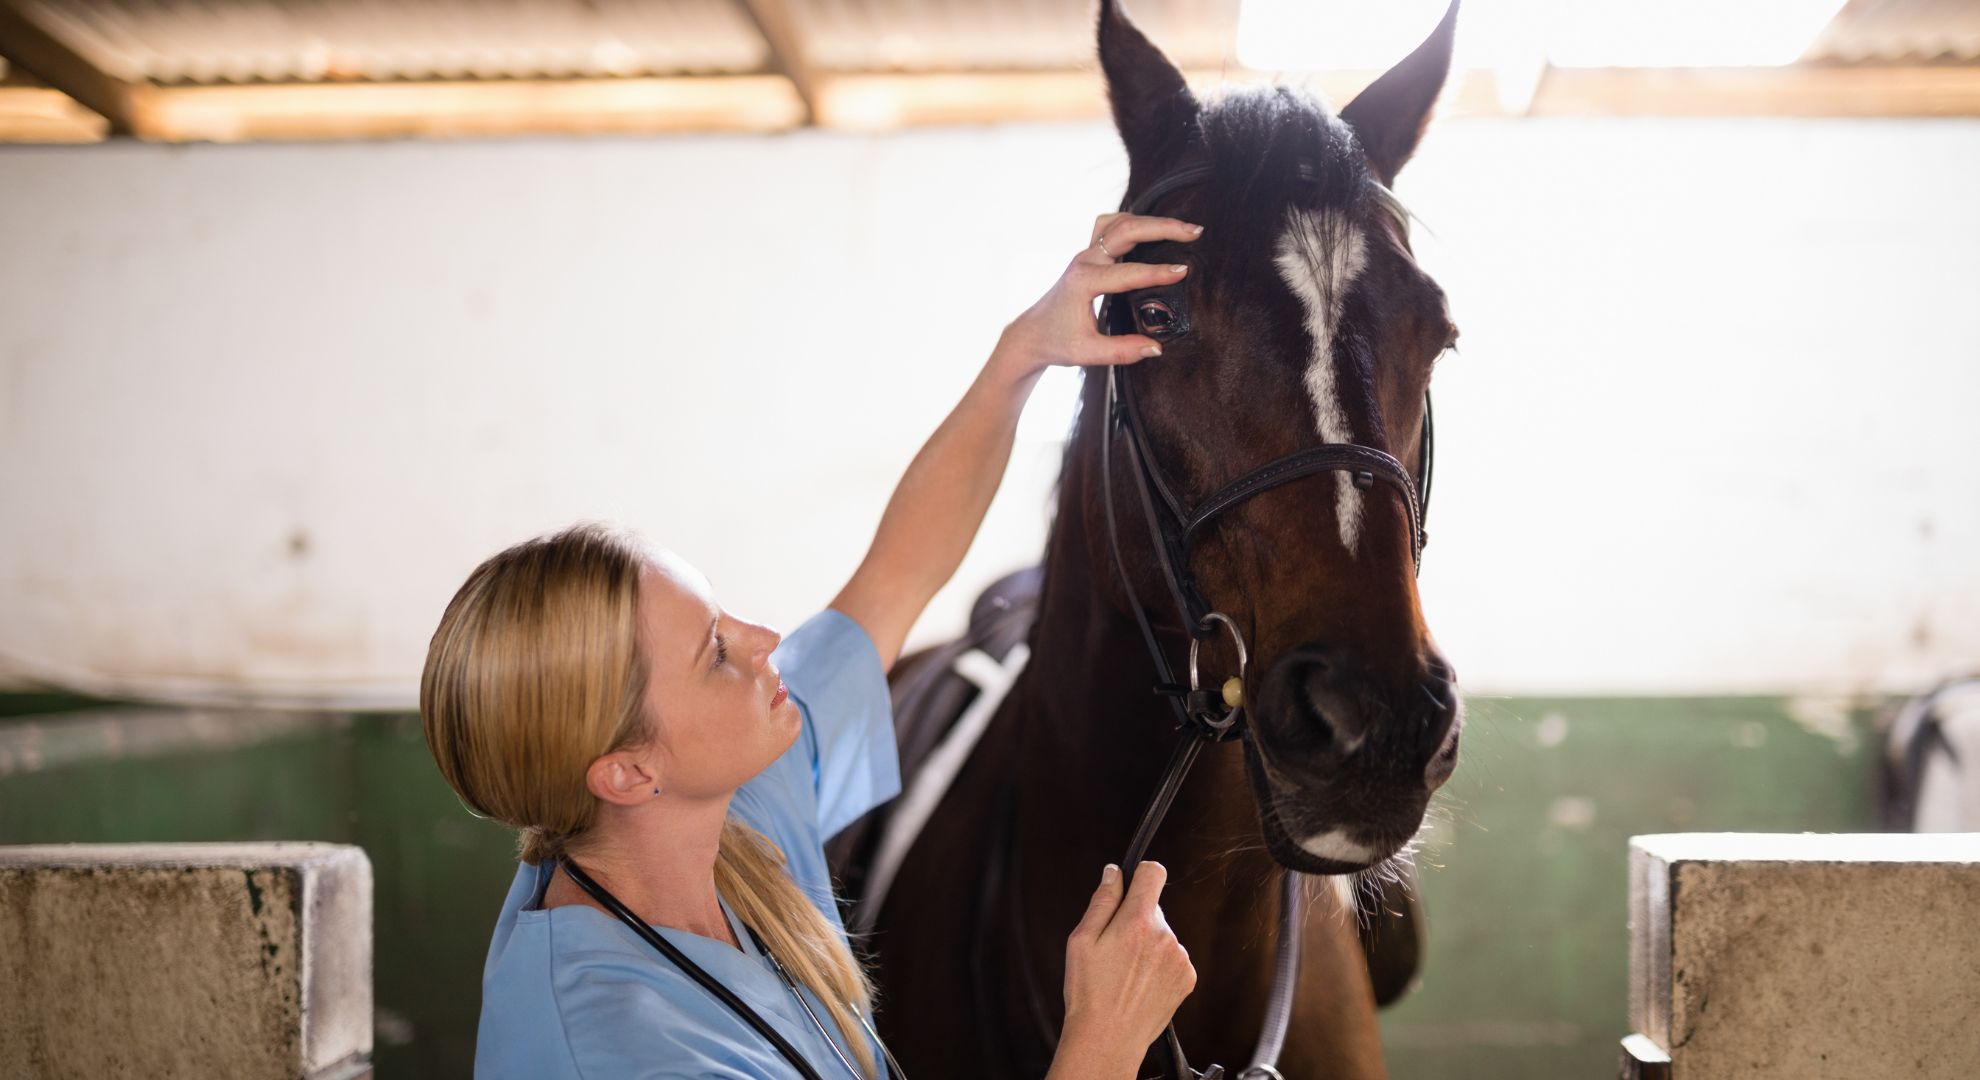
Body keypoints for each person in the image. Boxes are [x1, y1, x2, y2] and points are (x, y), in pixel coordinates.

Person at [420, 211, 1204, 1080]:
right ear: (628, 772)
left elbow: (897, 577)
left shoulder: (734, 815)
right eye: (715, 654)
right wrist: (1104, 1039)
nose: (764, 640)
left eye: (725, 621)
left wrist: (1024, 353)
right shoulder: (620, 1051)